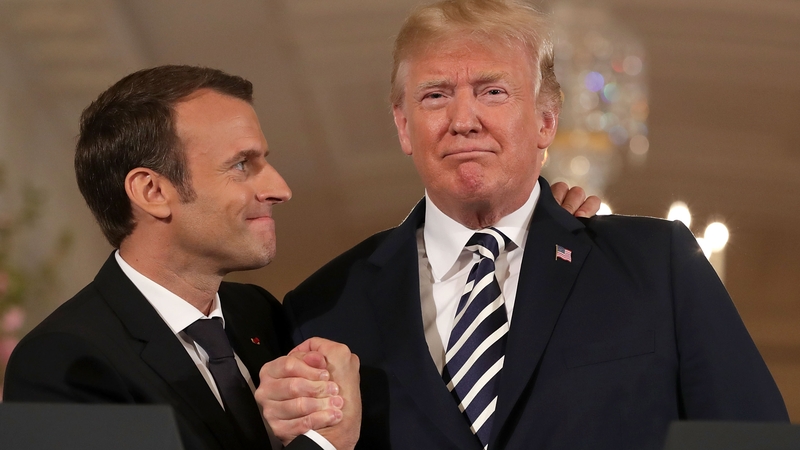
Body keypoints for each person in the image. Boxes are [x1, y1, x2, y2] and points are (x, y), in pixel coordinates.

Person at [259, 1, 789, 449]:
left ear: (546, 120)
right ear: (403, 125)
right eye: (435, 95)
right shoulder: (325, 306)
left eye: (493, 92)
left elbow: (746, 437)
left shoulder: (659, 263)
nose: (463, 120)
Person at [2, 65, 361, 450]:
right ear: (152, 191)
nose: (280, 189)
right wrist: (325, 443)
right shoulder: (63, 362)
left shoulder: (257, 313)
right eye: (242, 164)